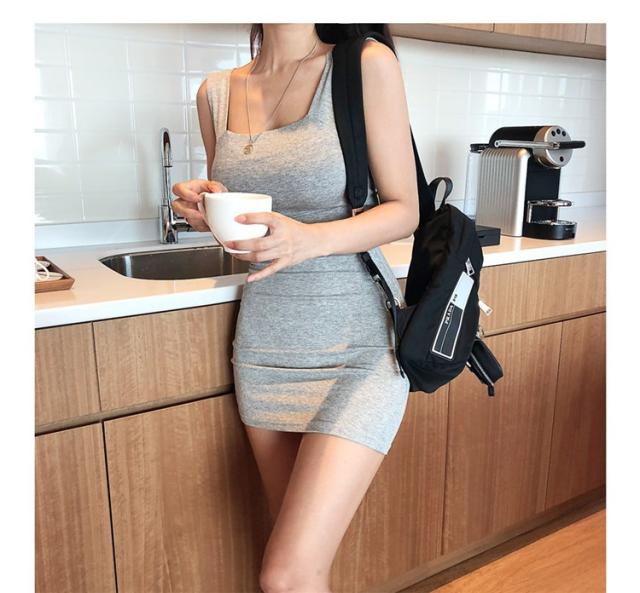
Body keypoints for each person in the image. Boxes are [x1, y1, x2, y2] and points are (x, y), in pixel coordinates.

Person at [171, 23, 418, 593]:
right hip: (266, 345)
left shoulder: (365, 64)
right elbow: (248, 230)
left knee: (285, 574)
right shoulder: (214, 93)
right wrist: (207, 211)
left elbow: (405, 209)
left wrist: (312, 239)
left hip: (357, 344)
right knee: (304, 570)